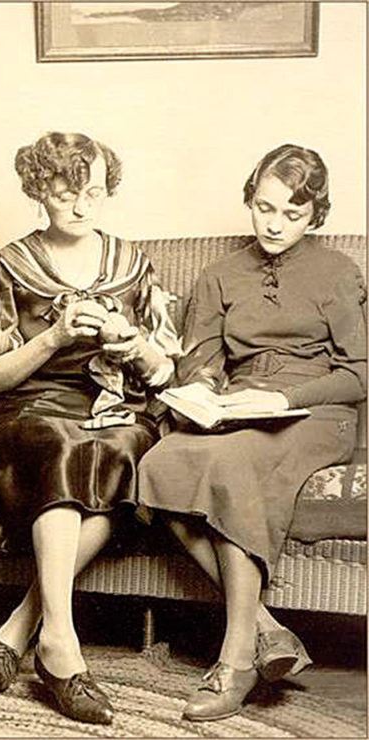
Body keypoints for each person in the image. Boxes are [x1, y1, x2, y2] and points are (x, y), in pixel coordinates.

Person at [136, 144, 367, 721]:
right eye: (265, 207)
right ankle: (266, 628)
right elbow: (201, 360)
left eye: (293, 214)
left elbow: (358, 372)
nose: (275, 224)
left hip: (314, 411)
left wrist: (283, 397)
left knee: (231, 463)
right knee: (160, 462)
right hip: (241, 407)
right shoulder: (220, 275)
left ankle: (235, 656)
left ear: (315, 216)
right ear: (250, 199)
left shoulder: (338, 272)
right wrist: (211, 387)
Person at [0, 132, 182, 724]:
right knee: (62, 443)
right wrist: (53, 338)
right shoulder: (12, 264)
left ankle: (22, 627)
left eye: (95, 193)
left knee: (124, 445)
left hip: (111, 410)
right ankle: (62, 642)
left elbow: (162, 371)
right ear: (39, 192)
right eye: (65, 195)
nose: (81, 207)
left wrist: (134, 347)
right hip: (30, 409)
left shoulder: (132, 264)